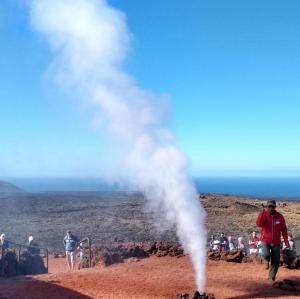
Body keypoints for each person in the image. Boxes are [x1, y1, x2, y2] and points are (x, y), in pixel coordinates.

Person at [256, 200, 290, 282]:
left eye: (273, 206)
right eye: (269, 206)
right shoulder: (264, 215)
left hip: (276, 242)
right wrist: (261, 213)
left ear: (275, 207)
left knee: (276, 261)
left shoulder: (280, 216)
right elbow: (258, 224)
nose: (271, 208)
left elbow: (284, 230)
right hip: (265, 240)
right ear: (267, 207)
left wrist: (286, 241)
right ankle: (266, 260)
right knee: (265, 254)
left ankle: (271, 277)